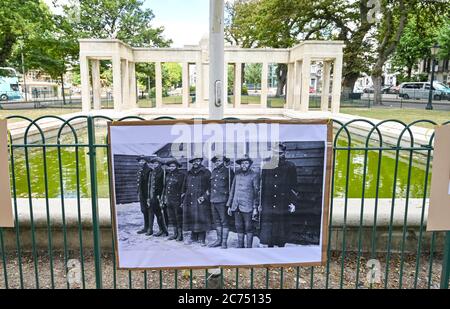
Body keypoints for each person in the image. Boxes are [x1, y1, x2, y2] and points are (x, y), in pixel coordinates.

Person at [259, 143, 298, 247]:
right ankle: (270, 249)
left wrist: (293, 203)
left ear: (284, 153)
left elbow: (294, 186)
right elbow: (263, 187)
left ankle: (280, 250)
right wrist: (261, 204)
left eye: (280, 153)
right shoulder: (267, 166)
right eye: (275, 153)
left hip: (283, 203)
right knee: (269, 232)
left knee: (281, 230)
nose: (277, 156)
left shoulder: (290, 166)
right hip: (268, 203)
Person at [226, 155, 259, 248]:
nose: (244, 165)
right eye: (242, 163)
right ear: (240, 165)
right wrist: (229, 205)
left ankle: (249, 248)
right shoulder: (237, 175)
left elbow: (256, 193)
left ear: (249, 164)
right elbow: (232, 190)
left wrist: (255, 207)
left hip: (248, 207)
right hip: (236, 206)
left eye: (246, 163)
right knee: (238, 227)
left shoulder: (253, 175)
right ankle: (240, 247)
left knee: (248, 227)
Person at [182, 157, 212, 246]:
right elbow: (184, 186)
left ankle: (202, 238)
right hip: (189, 199)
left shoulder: (206, 172)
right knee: (192, 217)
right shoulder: (188, 173)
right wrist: (183, 196)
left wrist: (204, 197)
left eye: (198, 161)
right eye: (194, 161)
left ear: (200, 162)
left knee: (201, 217)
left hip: (200, 200)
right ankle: (193, 236)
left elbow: (210, 187)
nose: (196, 163)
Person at [209, 155, 234, 248]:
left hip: (223, 200)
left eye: (219, 161)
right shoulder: (214, 171)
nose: (217, 162)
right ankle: (218, 240)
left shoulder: (229, 171)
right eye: (215, 161)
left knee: (224, 222)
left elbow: (232, 187)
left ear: (224, 161)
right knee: (217, 221)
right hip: (213, 199)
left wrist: (230, 202)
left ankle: (224, 242)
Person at [162, 158, 185, 241]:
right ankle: (175, 234)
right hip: (169, 199)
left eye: (173, 166)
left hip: (177, 199)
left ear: (177, 167)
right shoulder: (168, 175)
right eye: (170, 166)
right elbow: (165, 187)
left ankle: (180, 235)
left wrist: (181, 200)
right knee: (172, 217)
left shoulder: (181, 175)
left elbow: (183, 189)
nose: (171, 168)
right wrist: (164, 197)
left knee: (178, 217)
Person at [147, 157, 168, 237]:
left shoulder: (162, 172)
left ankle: (164, 230)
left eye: (157, 163)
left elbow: (163, 185)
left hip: (159, 196)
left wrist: (162, 196)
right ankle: (159, 229)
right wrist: (149, 197)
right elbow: (149, 185)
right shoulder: (152, 173)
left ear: (159, 164)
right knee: (154, 212)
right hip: (152, 196)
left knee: (160, 213)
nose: (155, 165)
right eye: (154, 163)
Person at [136, 155, 151, 234]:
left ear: (146, 161)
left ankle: (149, 228)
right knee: (144, 210)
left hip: (147, 194)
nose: (141, 162)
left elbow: (149, 184)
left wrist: (148, 196)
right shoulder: (140, 170)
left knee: (148, 211)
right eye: (140, 161)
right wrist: (138, 192)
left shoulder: (148, 170)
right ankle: (146, 227)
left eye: (143, 161)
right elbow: (139, 183)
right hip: (142, 193)